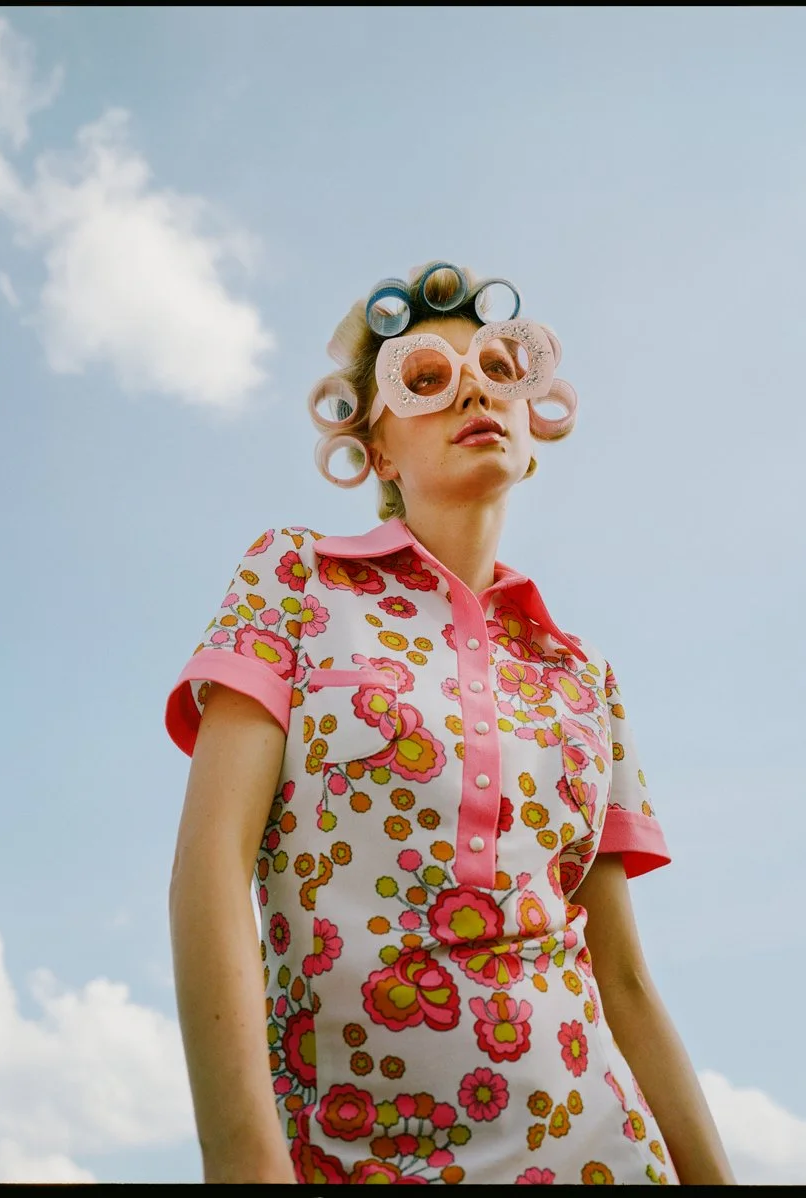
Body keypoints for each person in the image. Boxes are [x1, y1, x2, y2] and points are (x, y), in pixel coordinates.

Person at [164, 262, 736, 1185]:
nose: (473, 385)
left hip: (603, 1154)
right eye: (425, 378)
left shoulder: (582, 675)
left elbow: (622, 979)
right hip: (355, 1158)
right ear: (377, 451)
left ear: (531, 416)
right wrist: (245, 1165)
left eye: (501, 367)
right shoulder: (297, 582)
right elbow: (209, 868)